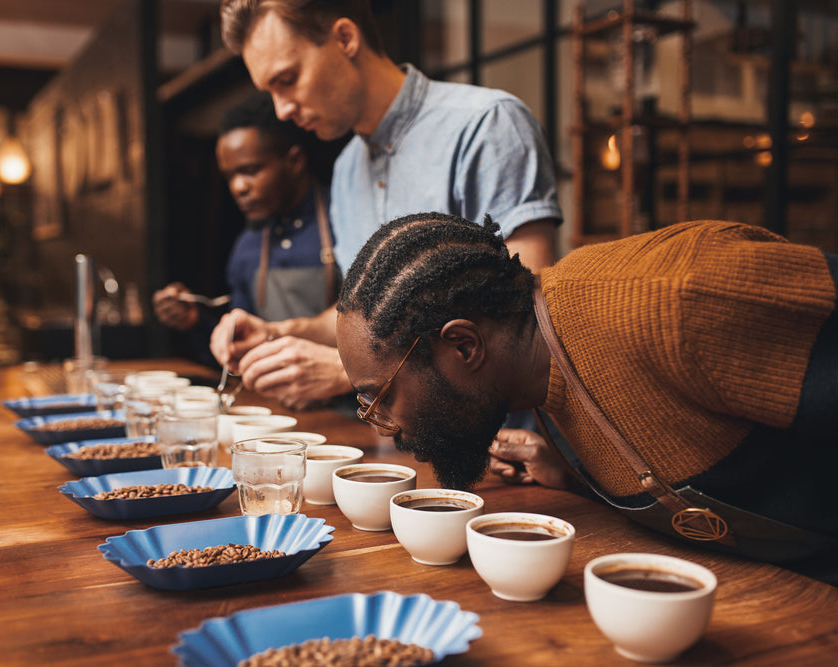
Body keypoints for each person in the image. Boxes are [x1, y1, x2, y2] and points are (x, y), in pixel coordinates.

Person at [333, 212, 838, 584]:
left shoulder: (679, 298)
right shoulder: (533, 373)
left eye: (381, 399)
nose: (387, 426)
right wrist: (576, 478)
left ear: (463, 345)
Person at [210, 0, 563, 409]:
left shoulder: (486, 124)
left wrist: (348, 372)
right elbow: (362, 315)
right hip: (391, 441)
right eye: (270, 91)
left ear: (345, 38)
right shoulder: (345, 169)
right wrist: (282, 332)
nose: (282, 109)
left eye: (287, 79)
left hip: (496, 448)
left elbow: (526, 321)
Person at [152, 91, 340, 364]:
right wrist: (194, 321)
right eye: (230, 176)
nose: (238, 187)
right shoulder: (248, 244)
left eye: (250, 170)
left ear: (295, 161)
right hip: (273, 397)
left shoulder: (345, 216)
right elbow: (239, 352)